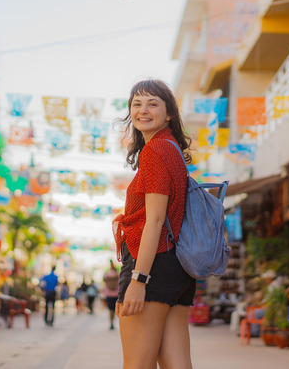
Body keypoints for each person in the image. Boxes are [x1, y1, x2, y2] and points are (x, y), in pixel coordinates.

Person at [113, 79, 196, 368]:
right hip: (177, 267)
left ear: (169, 113)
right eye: (137, 104)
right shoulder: (171, 147)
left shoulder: (157, 150)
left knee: (137, 364)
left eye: (152, 104)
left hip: (152, 264)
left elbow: (156, 220)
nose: (143, 110)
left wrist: (138, 279)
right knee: (177, 363)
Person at [103, 260, 120, 329]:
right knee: (116, 309)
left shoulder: (107, 275)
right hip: (117, 294)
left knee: (111, 310)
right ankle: (113, 322)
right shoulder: (118, 274)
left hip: (109, 294)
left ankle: (111, 322)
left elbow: (104, 280)